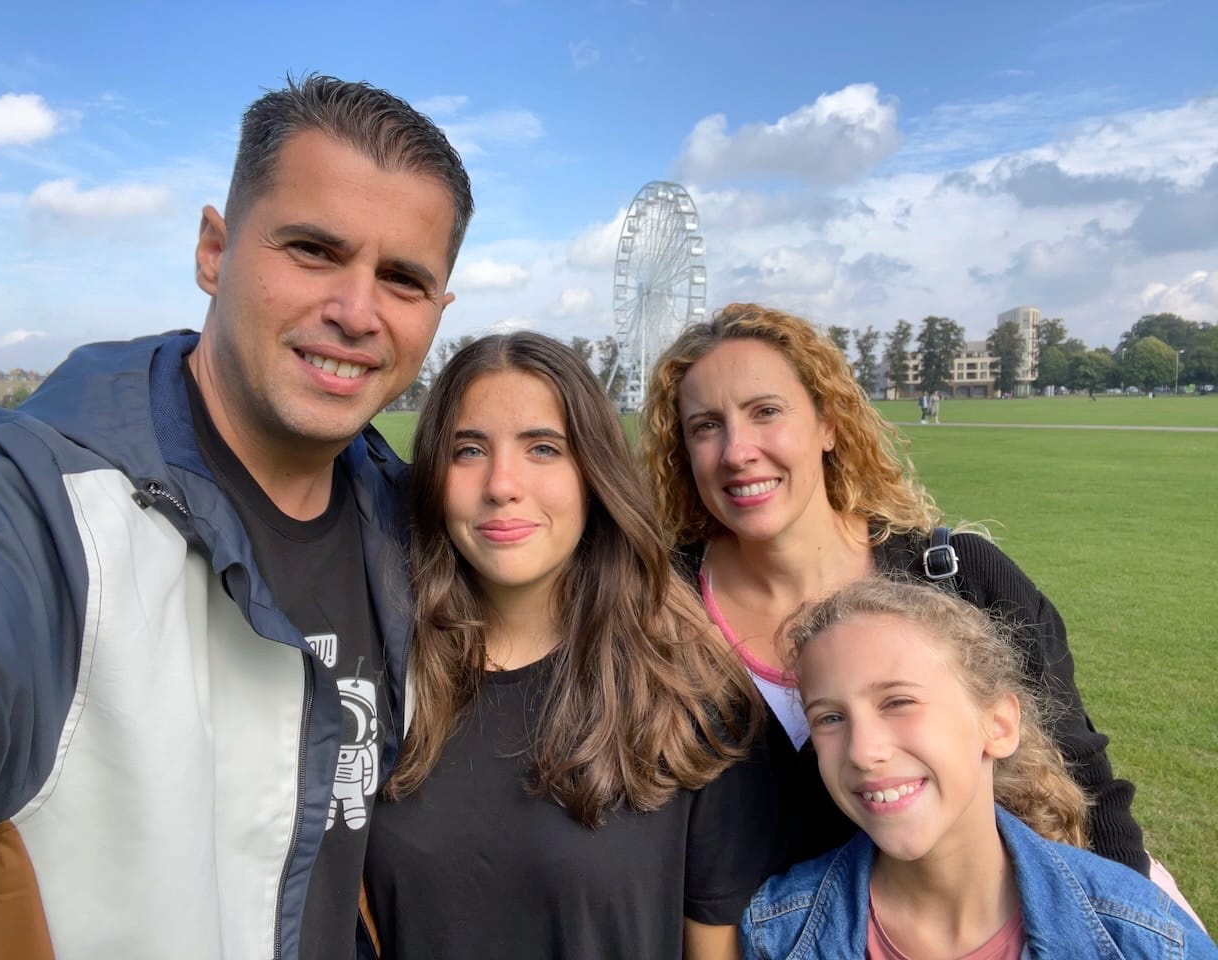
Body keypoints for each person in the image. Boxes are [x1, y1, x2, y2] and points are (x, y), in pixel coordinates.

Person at [0, 75, 472, 959]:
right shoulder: (28, 511)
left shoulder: (412, 529)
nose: (356, 312)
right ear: (213, 251)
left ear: (438, 312)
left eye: (403, 279)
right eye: (313, 250)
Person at [639, 303, 1149, 873]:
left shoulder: (961, 578)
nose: (737, 451)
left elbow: (1086, 783)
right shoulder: (652, 606)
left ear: (828, 424)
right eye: (706, 426)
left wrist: (1128, 910)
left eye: (766, 412)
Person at [364, 332, 783, 959]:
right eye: (469, 450)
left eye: (543, 448)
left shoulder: (691, 694)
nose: (502, 484)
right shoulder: (375, 675)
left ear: (593, 474)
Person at [741, 577, 1217, 959]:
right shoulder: (778, 932)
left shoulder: (1142, 936)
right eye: (830, 718)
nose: (863, 752)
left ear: (999, 725)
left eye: (898, 702)